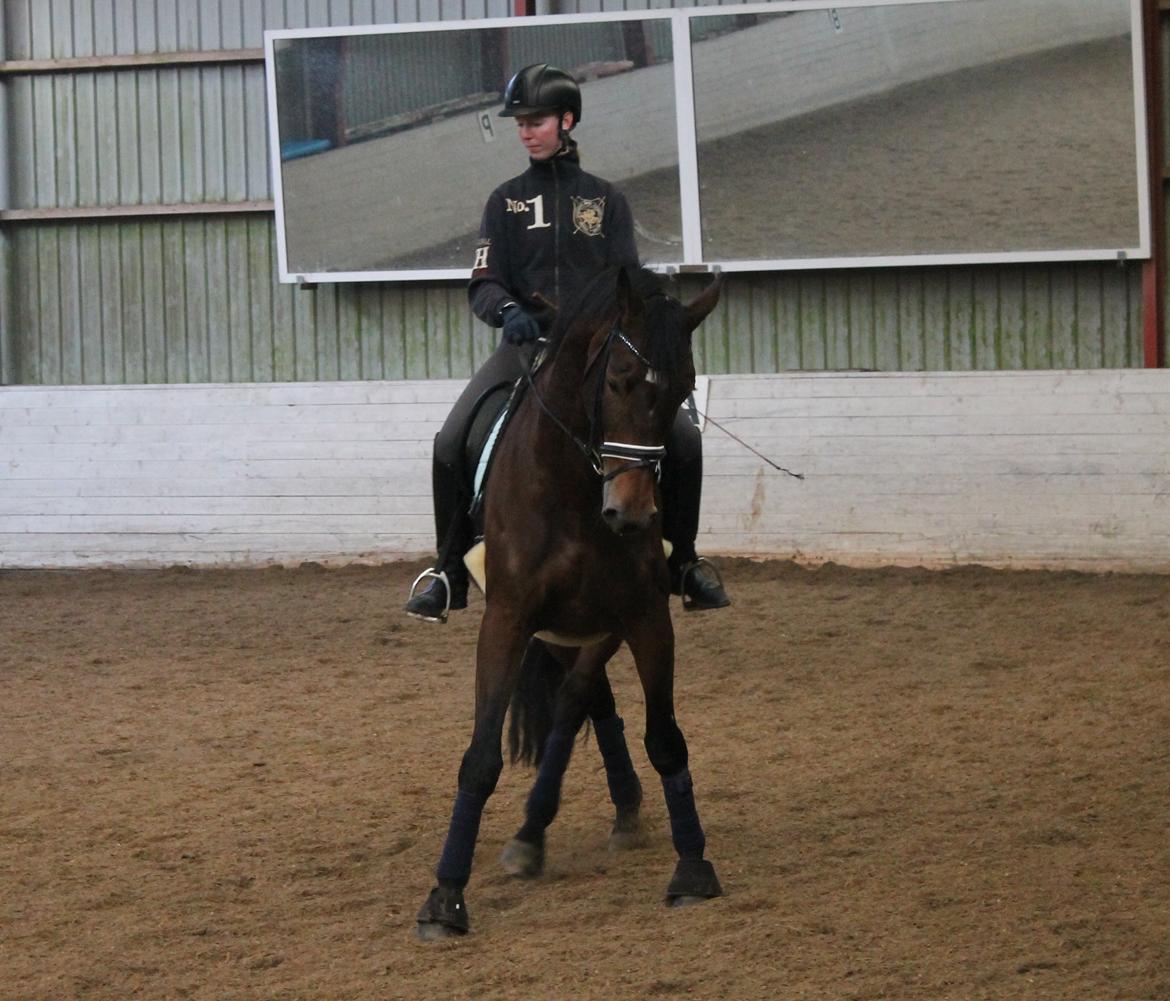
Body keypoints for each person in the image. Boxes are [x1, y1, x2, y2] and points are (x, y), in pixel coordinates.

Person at [405, 63, 729, 622]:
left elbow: (632, 287)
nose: (526, 130)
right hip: (529, 348)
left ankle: (686, 563)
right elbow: (483, 283)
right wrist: (508, 312)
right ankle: (447, 572)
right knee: (450, 440)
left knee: (684, 441)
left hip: (600, 356)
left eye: (536, 120)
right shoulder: (504, 201)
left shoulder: (604, 202)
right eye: (520, 122)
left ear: (567, 120)